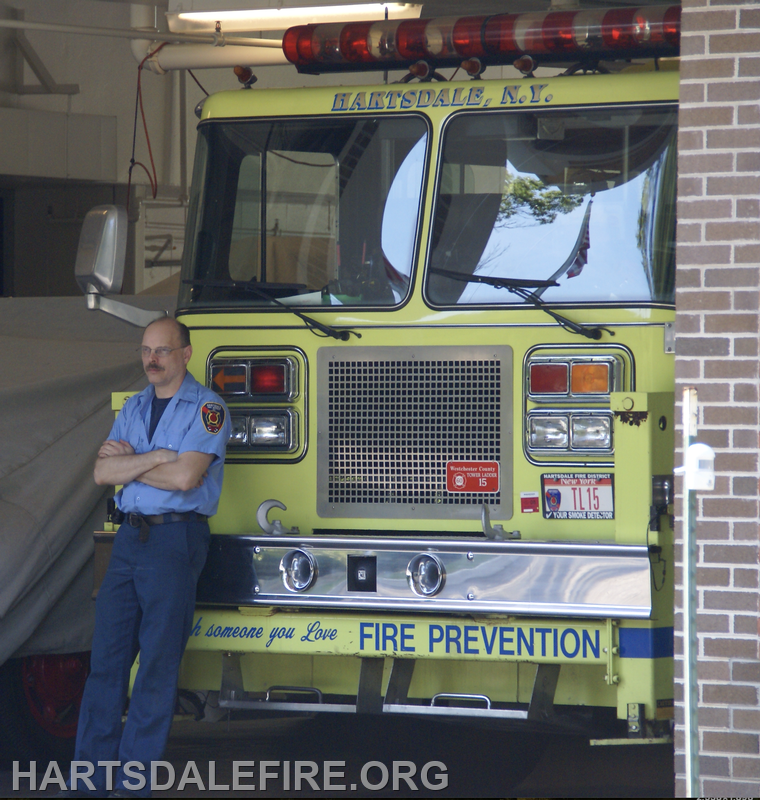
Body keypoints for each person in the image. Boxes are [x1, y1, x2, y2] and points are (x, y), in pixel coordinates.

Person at [64, 317, 230, 798]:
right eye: (145, 351)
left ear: (186, 354)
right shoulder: (134, 405)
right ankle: (89, 783)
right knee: (106, 665)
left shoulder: (208, 409)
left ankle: (131, 787)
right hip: (127, 541)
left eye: (162, 350)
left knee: (156, 667)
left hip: (174, 542)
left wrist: (133, 463)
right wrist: (159, 456)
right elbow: (101, 472)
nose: (151, 359)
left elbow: (186, 480)